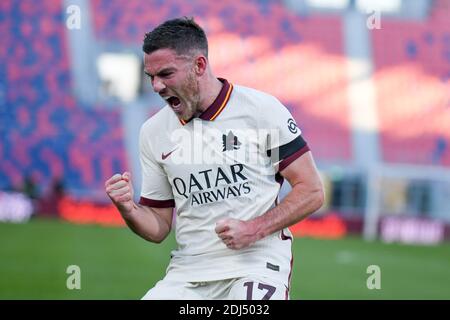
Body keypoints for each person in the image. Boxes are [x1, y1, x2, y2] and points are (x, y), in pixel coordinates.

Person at [105, 17, 324, 300]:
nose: (157, 86)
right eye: (151, 77)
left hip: (256, 263)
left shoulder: (261, 111)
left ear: (199, 65)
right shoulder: (153, 132)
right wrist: (129, 209)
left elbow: (312, 190)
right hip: (188, 272)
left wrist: (253, 229)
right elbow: (158, 226)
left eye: (166, 74)